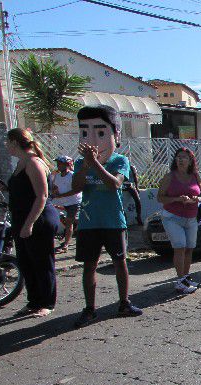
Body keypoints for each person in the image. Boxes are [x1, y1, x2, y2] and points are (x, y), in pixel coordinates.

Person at [72, 106, 143, 326]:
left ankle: (124, 302)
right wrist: (86, 165)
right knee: (89, 266)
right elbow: (76, 187)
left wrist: (94, 164)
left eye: (101, 133)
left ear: (116, 135)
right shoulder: (78, 163)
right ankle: (90, 308)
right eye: (85, 133)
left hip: (113, 221)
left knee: (120, 262)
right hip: (89, 222)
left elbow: (114, 184)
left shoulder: (119, 161)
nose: (92, 139)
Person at [5, 128, 60, 318]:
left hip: (38, 219)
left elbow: (42, 196)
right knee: (26, 262)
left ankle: (47, 302)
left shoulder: (33, 162)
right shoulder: (21, 162)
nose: (6, 146)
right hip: (21, 218)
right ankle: (34, 301)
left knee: (42, 263)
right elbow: (23, 190)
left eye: (7, 142)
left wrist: (29, 224)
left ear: (14, 142)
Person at [157, 147, 201, 294]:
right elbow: (160, 197)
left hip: (191, 217)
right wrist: (177, 199)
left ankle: (185, 278)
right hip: (172, 217)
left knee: (189, 247)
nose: (181, 160)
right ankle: (180, 282)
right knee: (180, 246)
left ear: (190, 161)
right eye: (178, 157)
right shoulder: (170, 176)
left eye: (184, 157)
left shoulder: (195, 176)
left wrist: (197, 198)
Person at [50, 155, 82, 254]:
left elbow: (75, 190)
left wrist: (61, 196)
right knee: (65, 220)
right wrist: (54, 192)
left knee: (69, 223)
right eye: (58, 163)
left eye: (60, 163)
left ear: (67, 165)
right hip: (62, 202)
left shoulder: (72, 175)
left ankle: (66, 245)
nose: (58, 165)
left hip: (73, 202)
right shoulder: (57, 176)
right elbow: (55, 187)